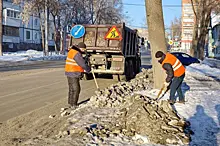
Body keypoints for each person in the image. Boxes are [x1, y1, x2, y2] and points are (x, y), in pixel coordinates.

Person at [65, 42, 91, 109]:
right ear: (81, 48)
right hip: (74, 72)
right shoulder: (76, 53)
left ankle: (70, 103)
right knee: (76, 89)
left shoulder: (72, 51)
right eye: (83, 49)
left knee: (71, 89)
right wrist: (88, 69)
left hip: (69, 72)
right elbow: (82, 64)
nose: (84, 50)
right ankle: (74, 104)